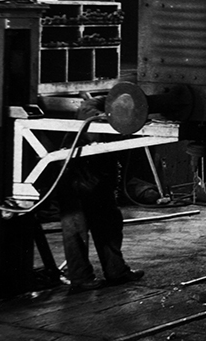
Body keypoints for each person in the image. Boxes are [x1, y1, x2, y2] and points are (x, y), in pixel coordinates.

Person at [58, 95, 144, 293]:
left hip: (100, 179)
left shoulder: (117, 114)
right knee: (76, 229)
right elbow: (89, 110)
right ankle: (80, 278)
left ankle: (116, 271)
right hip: (76, 177)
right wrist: (106, 118)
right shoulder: (93, 109)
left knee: (109, 226)